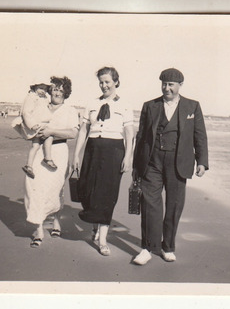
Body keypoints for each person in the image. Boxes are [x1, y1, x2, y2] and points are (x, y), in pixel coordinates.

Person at [132, 68, 208, 265]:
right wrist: (136, 166)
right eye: (164, 84)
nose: (167, 88)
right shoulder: (150, 106)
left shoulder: (193, 106)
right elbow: (141, 138)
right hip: (152, 162)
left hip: (179, 163)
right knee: (150, 205)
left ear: (180, 85)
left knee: (174, 206)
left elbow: (199, 136)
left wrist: (202, 162)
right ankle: (148, 248)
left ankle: (168, 247)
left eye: (171, 85)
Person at [73, 66, 134, 256]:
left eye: (107, 81)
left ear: (115, 81)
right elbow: (83, 130)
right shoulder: (91, 103)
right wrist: (76, 154)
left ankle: (103, 239)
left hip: (114, 150)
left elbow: (130, 133)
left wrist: (128, 156)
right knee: (88, 190)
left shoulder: (124, 104)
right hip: (92, 149)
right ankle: (95, 224)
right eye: (101, 82)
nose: (104, 85)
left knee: (108, 195)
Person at [24, 76, 79, 248]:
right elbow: (28, 120)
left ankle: (56, 221)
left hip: (59, 152)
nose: (56, 92)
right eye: (54, 88)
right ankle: (39, 230)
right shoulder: (41, 106)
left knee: (56, 189)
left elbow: (73, 133)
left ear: (66, 92)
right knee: (34, 187)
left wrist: (51, 131)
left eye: (60, 89)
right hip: (40, 150)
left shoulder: (70, 110)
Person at [13, 83, 58, 179]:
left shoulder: (43, 97)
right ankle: (48, 158)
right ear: (34, 88)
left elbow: (46, 108)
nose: (43, 91)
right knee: (49, 136)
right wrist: (32, 125)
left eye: (45, 89)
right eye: (40, 88)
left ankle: (29, 165)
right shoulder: (31, 97)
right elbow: (26, 112)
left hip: (39, 123)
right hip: (36, 124)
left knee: (36, 145)